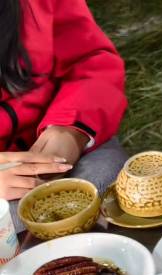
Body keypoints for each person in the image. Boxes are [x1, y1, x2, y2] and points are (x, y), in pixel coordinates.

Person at [0, 0, 128, 231]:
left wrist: (70, 131)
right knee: (15, 224)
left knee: (110, 183)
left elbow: (90, 60)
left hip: (71, 143)